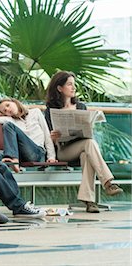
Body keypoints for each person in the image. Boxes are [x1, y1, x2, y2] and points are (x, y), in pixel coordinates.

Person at [45, 71, 123, 213]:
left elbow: (88, 133)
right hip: (63, 150)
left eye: (74, 85)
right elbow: (48, 135)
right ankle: (108, 182)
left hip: (83, 148)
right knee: (89, 144)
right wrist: (54, 136)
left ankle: (89, 201)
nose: (73, 88)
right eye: (69, 84)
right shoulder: (51, 109)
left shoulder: (81, 107)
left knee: (87, 153)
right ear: (59, 88)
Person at [0, 98, 57, 173]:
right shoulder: (9, 120)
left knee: (8, 126)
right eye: (5, 111)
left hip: (37, 154)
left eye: (8, 105)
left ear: (14, 102)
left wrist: (51, 157)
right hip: (20, 155)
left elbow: (47, 135)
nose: (8, 109)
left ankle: (13, 160)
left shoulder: (35, 112)